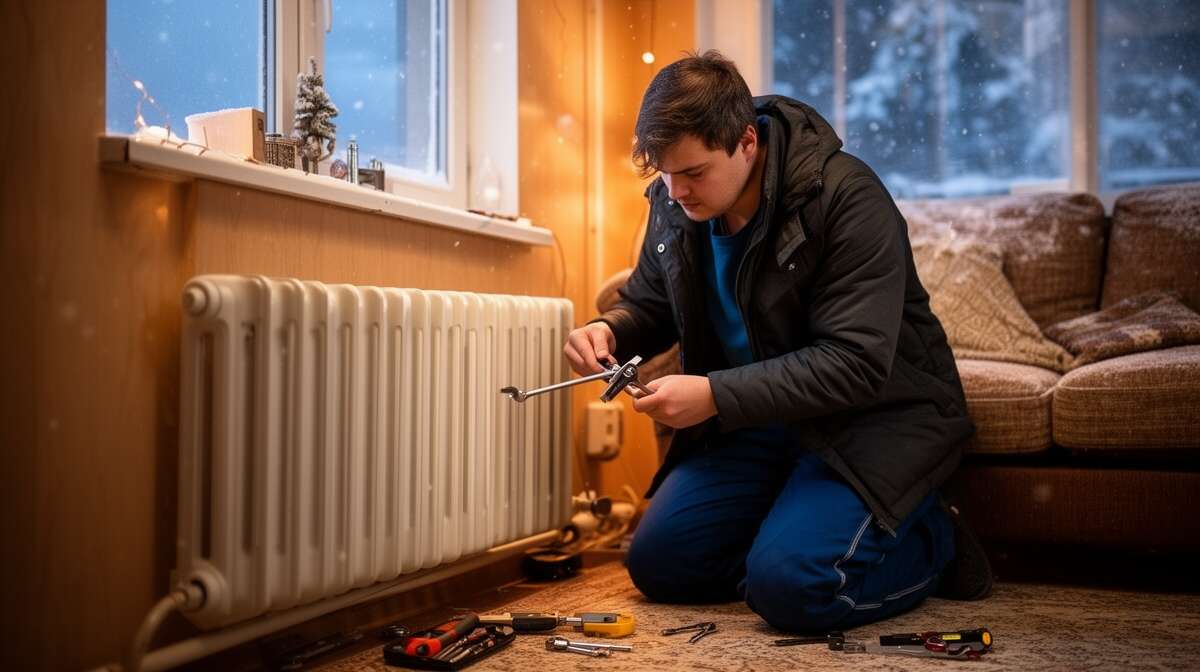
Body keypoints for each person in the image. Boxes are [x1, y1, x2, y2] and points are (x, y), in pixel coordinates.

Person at [563, 51, 992, 634]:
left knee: (796, 592)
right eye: (663, 173)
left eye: (693, 173)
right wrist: (611, 327)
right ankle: (796, 532)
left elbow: (854, 363)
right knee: (661, 565)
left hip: (868, 421)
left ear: (745, 140)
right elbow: (651, 301)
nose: (676, 190)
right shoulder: (674, 199)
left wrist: (714, 393)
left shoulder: (846, 197)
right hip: (759, 423)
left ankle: (932, 541)